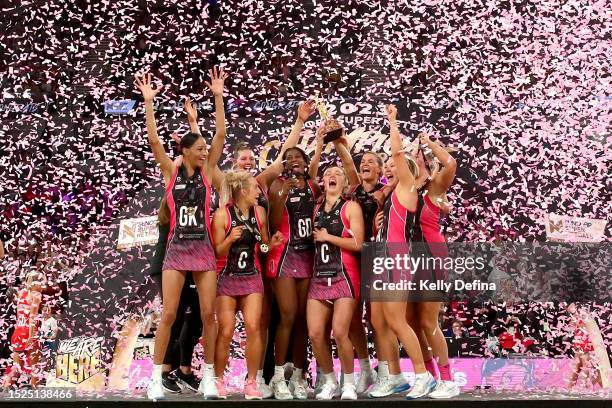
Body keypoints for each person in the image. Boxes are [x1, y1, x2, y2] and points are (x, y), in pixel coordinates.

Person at [134, 66, 228, 401]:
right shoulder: (170, 172)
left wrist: (217, 96)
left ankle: (211, 378)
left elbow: (220, 134)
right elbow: (154, 139)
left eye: (205, 149)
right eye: (199, 148)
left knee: (208, 315)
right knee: (170, 314)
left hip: (202, 248)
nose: (205, 151)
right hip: (176, 249)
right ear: (186, 150)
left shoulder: (207, 172)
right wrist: (149, 103)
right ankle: (156, 378)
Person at [227, 100, 316, 396]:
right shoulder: (230, 188)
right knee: (262, 321)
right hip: (249, 261)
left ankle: (290, 375)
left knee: (281, 318)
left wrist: (300, 122)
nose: (249, 162)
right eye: (244, 159)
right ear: (233, 162)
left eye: (253, 159)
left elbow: (285, 159)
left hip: (269, 255)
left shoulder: (263, 182)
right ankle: (261, 377)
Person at [374, 104, 437, 399]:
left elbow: (398, 154)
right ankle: (398, 378)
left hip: (398, 259)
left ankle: (423, 376)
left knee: (397, 321)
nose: (391, 167)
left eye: (396, 165)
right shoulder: (399, 192)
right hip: (387, 258)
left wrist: (393, 122)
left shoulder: (407, 188)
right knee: (389, 320)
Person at [212, 171, 284, 400]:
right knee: (226, 330)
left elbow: (262, 249)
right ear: (242, 190)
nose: (258, 192)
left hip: (252, 276)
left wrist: (270, 245)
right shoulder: (222, 215)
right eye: (254, 188)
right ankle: (218, 379)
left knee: (254, 327)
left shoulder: (259, 213)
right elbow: (216, 252)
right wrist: (229, 240)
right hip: (227, 276)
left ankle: (252, 381)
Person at [266, 132, 323, 400]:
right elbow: (274, 222)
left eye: (298, 157)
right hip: (286, 255)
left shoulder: (314, 187)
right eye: (288, 158)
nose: (293, 161)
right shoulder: (277, 185)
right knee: (287, 315)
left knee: (303, 319)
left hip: (309, 257)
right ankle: (278, 377)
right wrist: (282, 196)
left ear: (305, 162)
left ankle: (299, 376)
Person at [404, 131, 459, 399]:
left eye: (419, 157)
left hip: (431, 258)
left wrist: (428, 143)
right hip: (407, 260)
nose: (416, 159)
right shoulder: (405, 192)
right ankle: (430, 377)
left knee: (428, 322)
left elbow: (450, 164)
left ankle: (448, 380)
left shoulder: (435, 190)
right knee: (411, 323)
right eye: (412, 157)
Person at [308, 161, 364, 400]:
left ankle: (349, 383)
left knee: (341, 332)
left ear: (344, 183)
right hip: (319, 275)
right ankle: (330, 381)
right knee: (316, 333)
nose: (331, 176)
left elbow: (358, 244)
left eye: (337, 174)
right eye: (327, 173)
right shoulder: (316, 207)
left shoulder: (351, 207)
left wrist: (328, 237)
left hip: (344, 274)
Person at [148, 197, 202, 394]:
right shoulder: (173, 208)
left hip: (187, 268)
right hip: (167, 266)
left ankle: (183, 370)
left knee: (196, 316)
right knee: (175, 316)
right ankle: (164, 370)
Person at [2, 272, 42, 390]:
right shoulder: (36, 295)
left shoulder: (21, 293)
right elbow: (32, 317)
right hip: (28, 332)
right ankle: (36, 394)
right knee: (35, 366)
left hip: (17, 332)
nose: (42, 285)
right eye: (40, 281)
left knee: (16, 367)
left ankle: (5, 390)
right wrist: (31, 336)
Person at [39, 305, 58, 375]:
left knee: (48, 359)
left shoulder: (52, 320)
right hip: (43, 342)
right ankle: (44, 375)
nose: (47, 312)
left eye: (48, 310)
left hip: (50, 343)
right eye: (44, 310)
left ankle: (47, 375)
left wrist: (45, 336)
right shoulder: (41, 320)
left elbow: (54, 333)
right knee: (43, 359)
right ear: (41, 311)